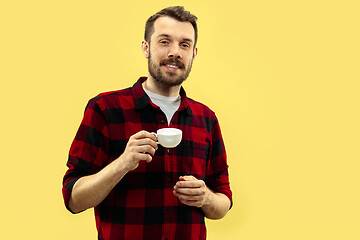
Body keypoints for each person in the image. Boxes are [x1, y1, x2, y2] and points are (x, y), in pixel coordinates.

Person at [62, 6, 232, 240]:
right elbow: (73, 199)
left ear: (193, 53)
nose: (175, 52)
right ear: (146, 48)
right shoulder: (105, 109)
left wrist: (207, 198)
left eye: (184, 44)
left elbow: (224, 200)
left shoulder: (206, 119)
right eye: (164, 41)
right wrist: (123, 163)